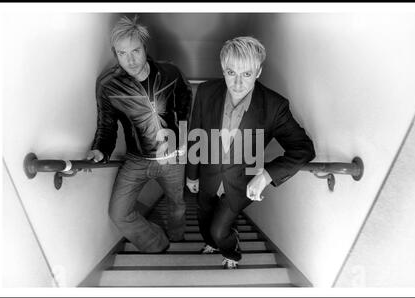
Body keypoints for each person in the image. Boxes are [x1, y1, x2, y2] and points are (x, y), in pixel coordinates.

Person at [186, 36, 315, 269]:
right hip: (207, 175)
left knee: (219, 229)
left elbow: (304, 149)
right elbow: (196, 132)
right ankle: (211, 244)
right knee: (204, 220)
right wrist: (192, 174)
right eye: (230, 72)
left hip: (242, 182)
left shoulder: (274, 106)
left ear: (258, 72)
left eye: (246, 74)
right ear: (222, 68)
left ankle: (231, 252)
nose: (237, 83)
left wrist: (266, 175)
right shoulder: (205, 91)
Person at [87, 15, 192, 253]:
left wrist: (184, 137)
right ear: (115, 54)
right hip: (136, 160)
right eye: (122, 53)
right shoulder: (108, 85)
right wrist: (100, 150)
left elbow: (185, 105)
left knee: (177, 204)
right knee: (119, 213)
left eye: (135, 50)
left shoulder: (170, 73)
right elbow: (106, 126)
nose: (130, 60)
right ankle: (158, 243)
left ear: (145, 47)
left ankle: (177, 238)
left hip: (173, 156)